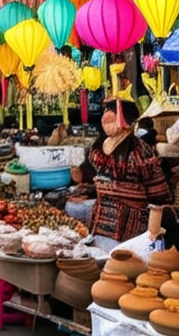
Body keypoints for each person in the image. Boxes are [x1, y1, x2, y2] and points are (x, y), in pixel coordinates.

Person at [74, 99, 173, 244]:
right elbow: (93, 179)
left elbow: (159, 198)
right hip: (100, 227)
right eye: (106, 111)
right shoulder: (99, 147)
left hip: (132, 232)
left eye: (113, 111)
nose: (106, 117)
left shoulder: (139, 151)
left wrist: (151, 238)